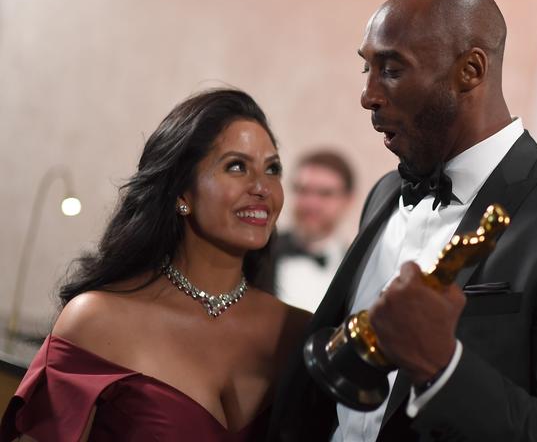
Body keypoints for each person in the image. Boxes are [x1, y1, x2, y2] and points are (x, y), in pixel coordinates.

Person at [268, 0, 537, 441]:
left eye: (391, 69)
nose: (368, 95)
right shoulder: (386, 192)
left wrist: (443, 368)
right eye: (366, 68)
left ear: (470, 70)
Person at [1, 89, 311, 441]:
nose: (262, 187)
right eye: (236, 166)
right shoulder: (96, 321)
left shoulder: (299, 332)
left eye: (272, 169)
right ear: (182, 192)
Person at [263, 150, 355, 312]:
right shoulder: (260, 255)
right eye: (303, 190)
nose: (311, 204)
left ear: (348, 200)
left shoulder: (357, 267)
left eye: (325, 193)